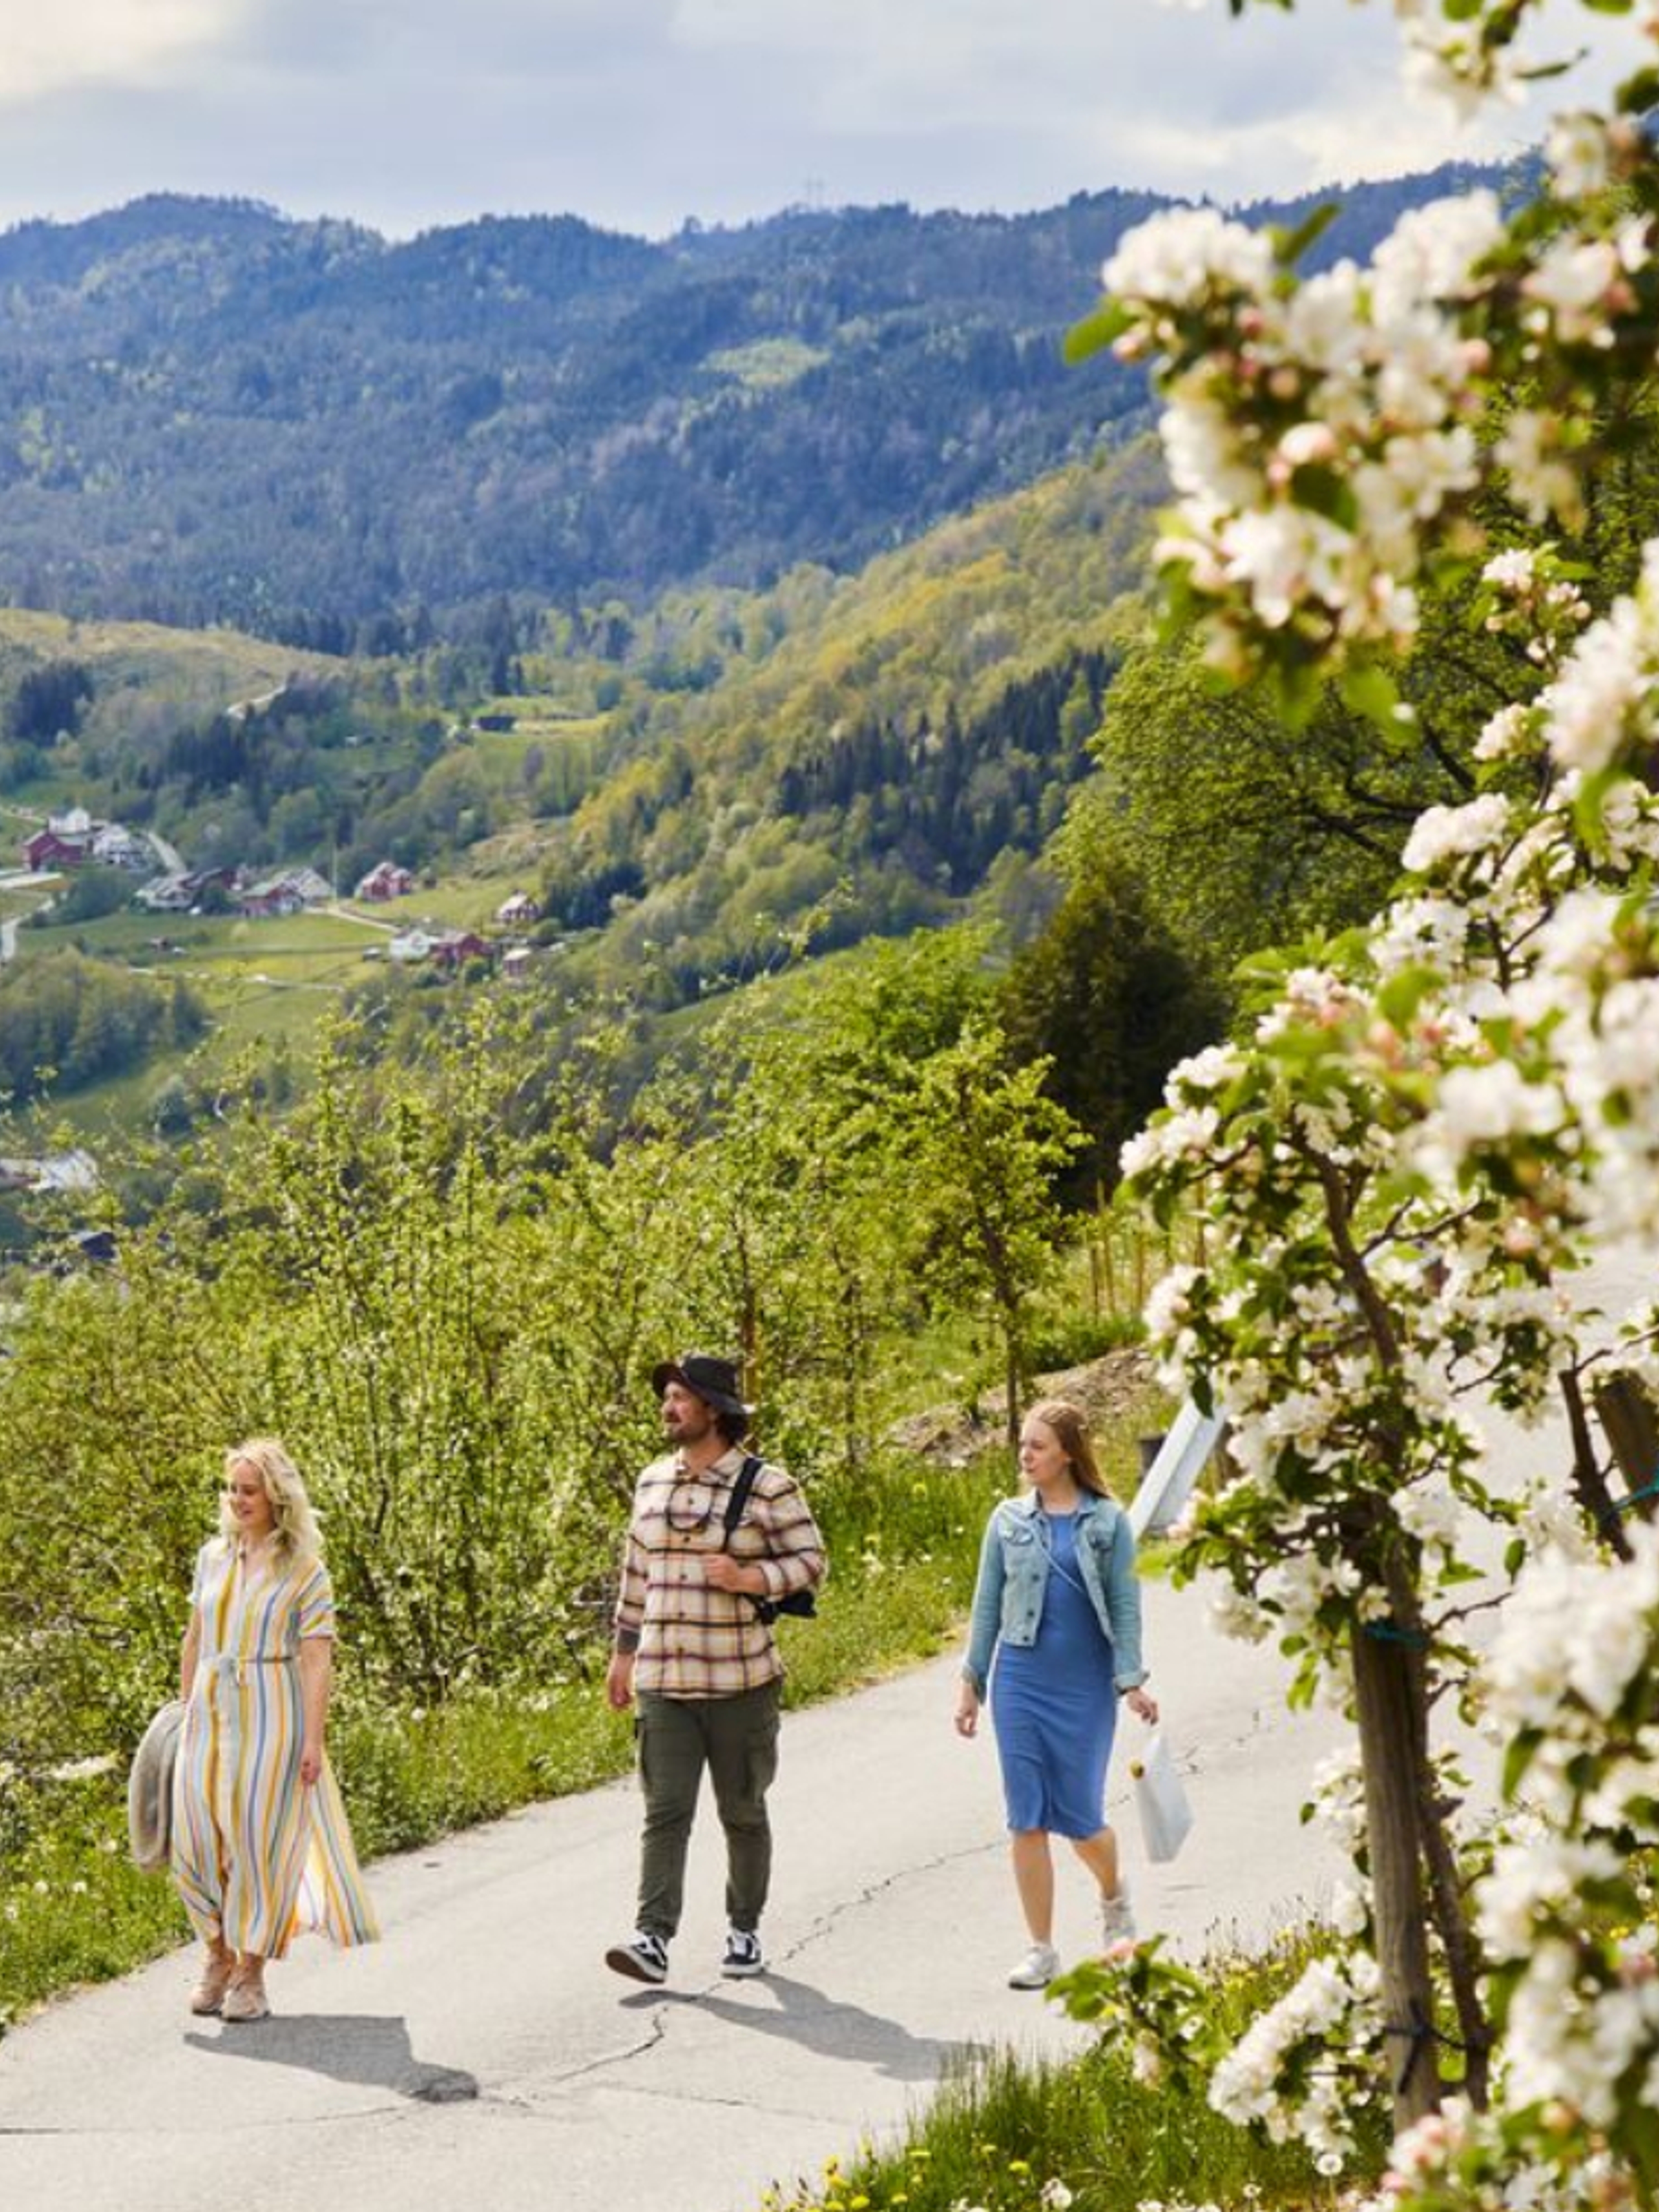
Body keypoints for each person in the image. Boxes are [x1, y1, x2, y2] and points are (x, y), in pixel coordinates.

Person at [604, 1354, 827, 1987]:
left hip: (740, 1683)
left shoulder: (767, 1486)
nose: (668, 1408)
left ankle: (744, 1930)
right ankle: (652, 1938)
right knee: (665, 1811)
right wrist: (623, 1656)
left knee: (743, 1811)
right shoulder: (651, 1483)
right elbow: (635, 1575)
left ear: (714, 1410)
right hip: (663, 1682)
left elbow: (812, 1561)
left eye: (680, 1398)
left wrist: (750, 1577)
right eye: (667, 1397)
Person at [171, 1438, 379, 2021]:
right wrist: (183, 1710)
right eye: (232, 1489)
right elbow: (194, 1636)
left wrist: (313, 1740)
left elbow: (317, 1659)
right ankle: (215, 1952)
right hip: (208, 1710)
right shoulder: (213, 1556)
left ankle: (250, 1973)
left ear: (276, 1497)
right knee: (193, 1841)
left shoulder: (305, 1570)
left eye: (249, 1490)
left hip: (272, 1710)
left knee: (258, 1845)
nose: (238, 1500)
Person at [955, 1397, 1157, 1990]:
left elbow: (1125, 1608)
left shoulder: (1107, 1523)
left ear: (1068, 1453)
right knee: (1027, 1818)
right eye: (1023, 1443)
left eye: (1038, 1445)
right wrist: (972, 1683)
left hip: (1084, 1685)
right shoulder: (1007, 1520)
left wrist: (1132, 1681)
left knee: (1082, 1819)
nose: (1025, 1454)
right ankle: (1041, 1948)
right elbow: (986, 1605)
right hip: (1020, 1679)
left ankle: (1113, 1897)